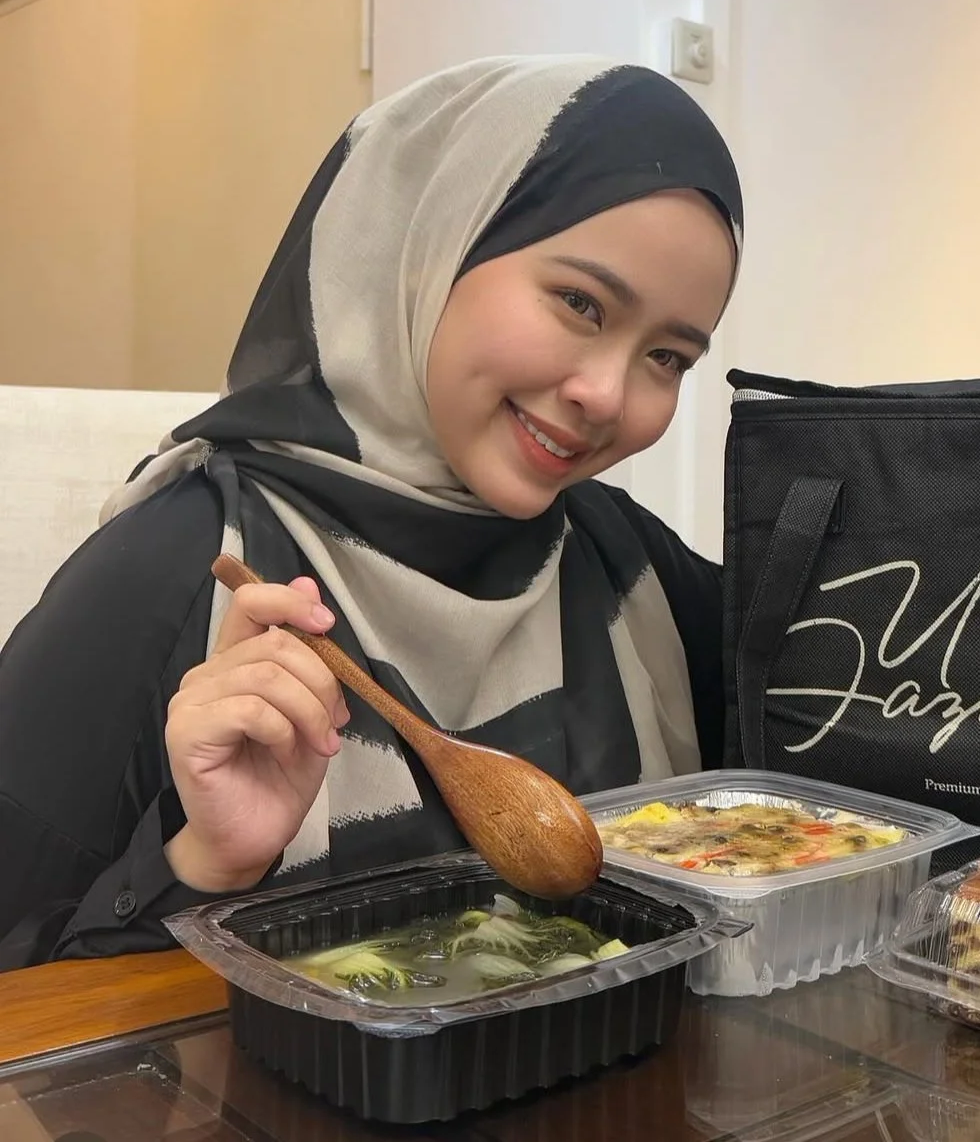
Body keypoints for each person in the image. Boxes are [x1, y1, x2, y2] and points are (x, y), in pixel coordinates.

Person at [0, 56, 743, 969]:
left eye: (668, 357)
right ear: (426, 248)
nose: (605, 392)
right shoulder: (170, 572)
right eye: (581, 302)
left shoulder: (626, 567)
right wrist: (204, 862)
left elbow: (858, 728)